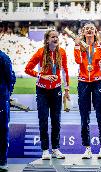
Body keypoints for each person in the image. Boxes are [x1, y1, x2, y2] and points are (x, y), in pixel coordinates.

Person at [25, 29, 70, 160]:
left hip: (56, 90)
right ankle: (45, 150)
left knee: (56, 121)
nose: (55, 39)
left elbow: (65, 71)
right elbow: (27, 69)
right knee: (43, 120)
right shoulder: (40, 52)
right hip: (42, 91)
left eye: (57, 37)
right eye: (52, 37)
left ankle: (55, 149)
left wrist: (66, 90)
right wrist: (42, 76)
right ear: (47, 40)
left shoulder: (62, 52)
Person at [74, 22, 101, 159]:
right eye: (86, 29)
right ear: (83, 32)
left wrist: (85, 48)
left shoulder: (100, 46)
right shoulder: (78, 46)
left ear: (95, 32)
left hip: (97, 82)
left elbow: (97, 58)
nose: (89, 30)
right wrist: (78, 45)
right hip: (83, 82)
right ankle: (87, 148)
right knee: (84, 116)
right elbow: (78, 61)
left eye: (91, 29)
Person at [0, 50, 16, 171]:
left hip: (1, 98)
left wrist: (7, 94)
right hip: (2, 97)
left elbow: (11, 77)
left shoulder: (3, 57)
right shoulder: (3, 57)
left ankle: (2, 160)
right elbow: (11, 77)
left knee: (2, 129)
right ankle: (2, 160)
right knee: (2, 129)